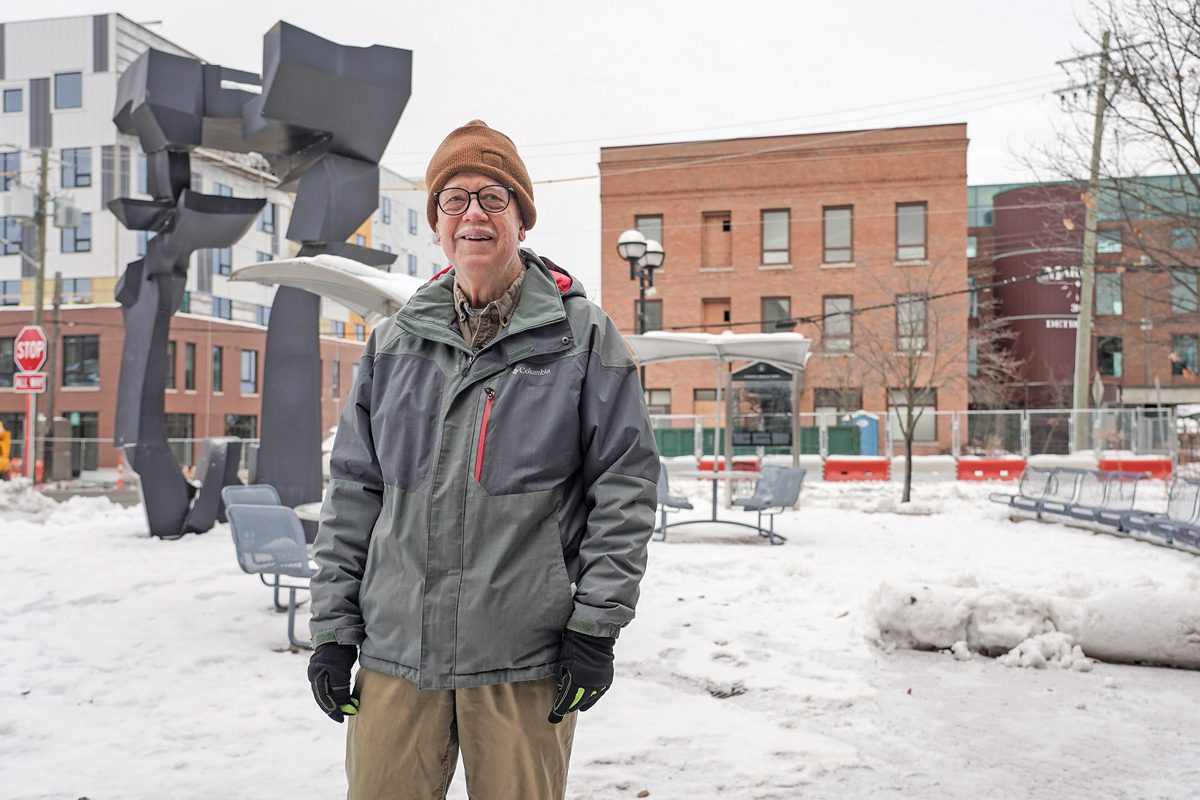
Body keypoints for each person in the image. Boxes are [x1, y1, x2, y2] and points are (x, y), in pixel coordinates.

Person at [306, 119, 659, 800]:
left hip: (523, 661)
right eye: (455, 199)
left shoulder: (582, 339)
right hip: (396, 658)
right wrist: (332, 628)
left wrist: (597, 624)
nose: (473, 213)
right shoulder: (392, 345)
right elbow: (353, 492)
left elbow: (626, 487)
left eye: (494, 198)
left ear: (521, 220)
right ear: (437, 224)